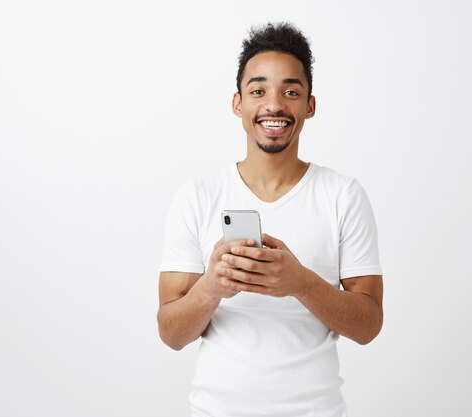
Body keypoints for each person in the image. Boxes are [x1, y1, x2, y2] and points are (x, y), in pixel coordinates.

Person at [157, 22, 383, 417]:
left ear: (309, 105)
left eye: (291, 92)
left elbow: (368, 326)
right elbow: (171, 334)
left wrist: (300, 283)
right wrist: (211, 287)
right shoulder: (196, 197)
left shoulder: (343, 195)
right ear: (237, 103)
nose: (274, 105)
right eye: (258, 91)